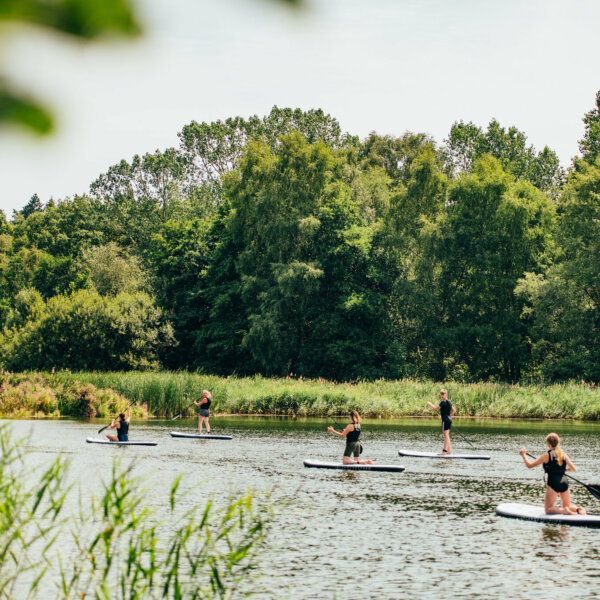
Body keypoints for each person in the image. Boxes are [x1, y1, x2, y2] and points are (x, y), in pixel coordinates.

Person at [519, 433, 586, 515]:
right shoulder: (563, 454)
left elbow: (529, 465)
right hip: (564, 481)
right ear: (558, 442)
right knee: (567, 505)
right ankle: (578, 509)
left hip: (553, 482)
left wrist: (523, 455)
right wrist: (561, 470)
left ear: (548, 444)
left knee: (548, 509)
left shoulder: (546, 456)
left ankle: (564, 511)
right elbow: (573, 469)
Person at [427, 388, 456, 454]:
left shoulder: (443, 402)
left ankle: (444, 451)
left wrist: (429, 403)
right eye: (441, 394)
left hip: (445, 420)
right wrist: (449, 416)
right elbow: (454, 410)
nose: (442, 396)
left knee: (445, 436)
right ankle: (448, 451)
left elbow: (435, 408)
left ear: (446, 394)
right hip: (449, 420)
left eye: (443, 394)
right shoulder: (449, 402)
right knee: (447, 435)